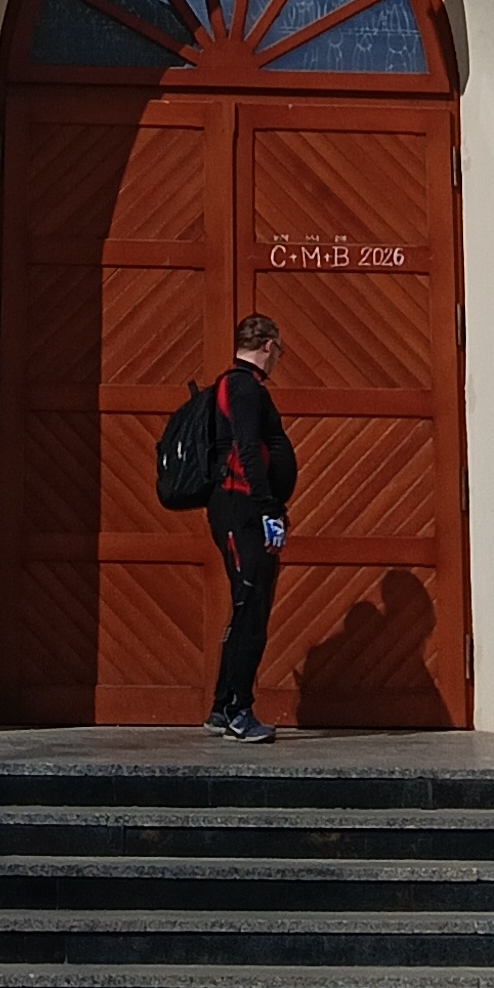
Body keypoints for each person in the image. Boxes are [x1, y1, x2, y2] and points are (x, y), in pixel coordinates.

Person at [206, 314, 298, 742]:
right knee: (252, 608)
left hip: (242, 508)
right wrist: (268, 508)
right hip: (241, 508)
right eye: (279, 350)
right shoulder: (243, 387)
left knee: (247, 605)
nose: (278, 358)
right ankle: (238, 712)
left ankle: (221, 707)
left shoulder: (243, 385)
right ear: (268, 345)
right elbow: (246, 449)